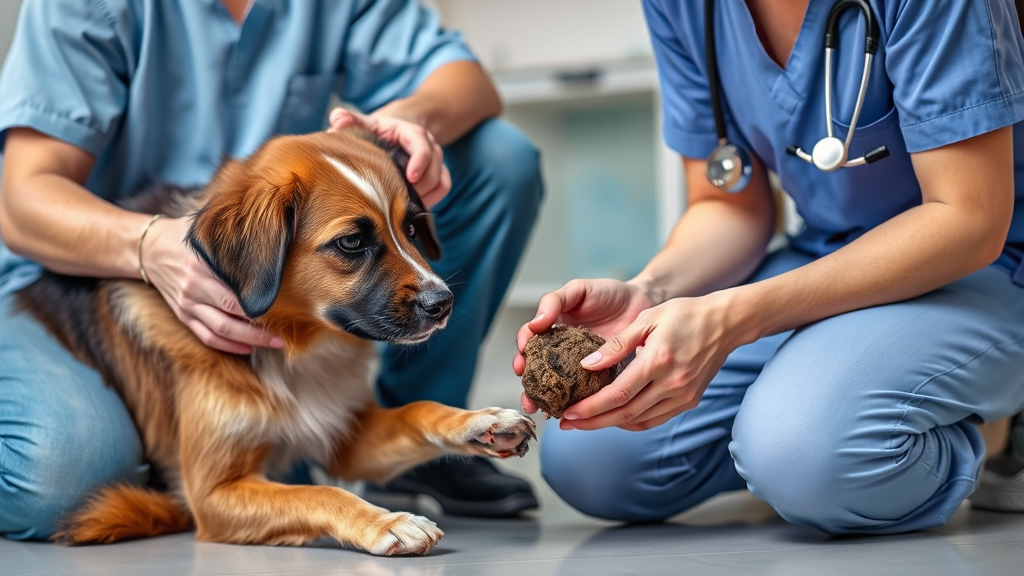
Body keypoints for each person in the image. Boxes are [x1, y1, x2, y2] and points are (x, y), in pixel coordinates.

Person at [0, 0, 543, 541]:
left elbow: (466, 80)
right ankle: (210, 456)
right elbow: (19, 199)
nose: (433, 287)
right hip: (68, 274)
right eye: (354, 244)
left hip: (280, 259)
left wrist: (409, 119)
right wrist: (145, 246)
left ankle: (406, 451)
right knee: (60, 479)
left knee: (499, 155)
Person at [515, 0, 1024, 534]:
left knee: (804, 462)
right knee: (597, 464)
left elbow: (968, 217)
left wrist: (737, 316)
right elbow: (729, 204)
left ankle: (991, 432)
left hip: (980, 265)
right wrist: (651, 290)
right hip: (820, 257)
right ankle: (796, 432)